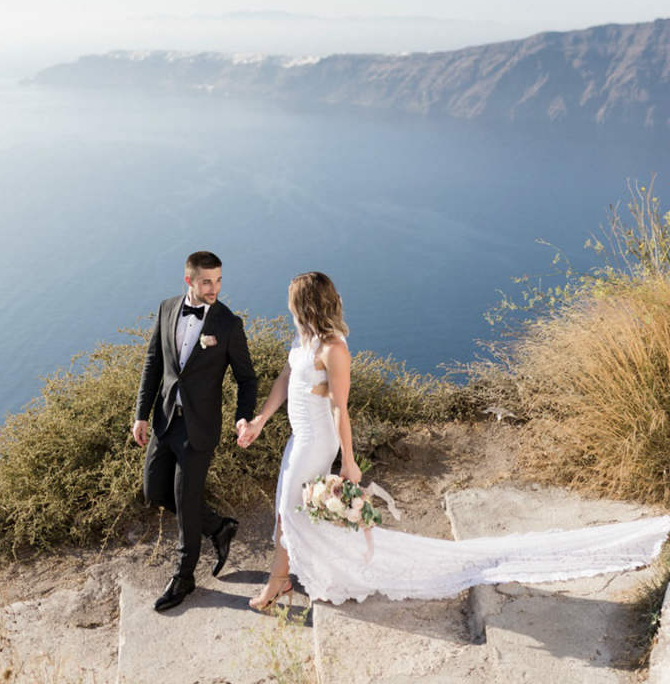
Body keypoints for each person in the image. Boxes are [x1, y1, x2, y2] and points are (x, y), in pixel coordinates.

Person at [238, 271, 670, 609]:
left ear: (306, 305)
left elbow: (340, 409)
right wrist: (259, 419)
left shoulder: (334, 349)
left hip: (317, 442)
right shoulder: (304, 340)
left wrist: (349, 462)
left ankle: (280, 583)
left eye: (293, 303)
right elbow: (286, 377)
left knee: (287, 512)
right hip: (299, 437)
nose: (289, 308)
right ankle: (315, 572)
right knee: (293, 510)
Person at [133, 251, 257, 612]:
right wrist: (141, 414)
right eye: (207, 281)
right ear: (189, 280)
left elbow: (247, 379)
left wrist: (243, 417)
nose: (214, 288)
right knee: (154, 489)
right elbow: (154, 363)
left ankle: (184, 577)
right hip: (167, 419)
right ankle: (218, 527)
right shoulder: (167, 308)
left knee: (186, 499)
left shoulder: (228, 324)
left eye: (218, 280)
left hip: (200, 427)